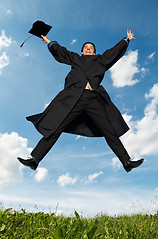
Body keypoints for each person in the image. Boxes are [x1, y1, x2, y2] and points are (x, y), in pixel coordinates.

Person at [18, 29, 144, 172]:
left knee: (109, 130)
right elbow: (62, 52)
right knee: (57, 127)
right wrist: (49, 42)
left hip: (94, 99)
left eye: (91, 48)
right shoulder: (76, 58)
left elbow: (113, 53)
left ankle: (126, 162)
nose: (88, 49)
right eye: (86, 48)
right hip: (74, 99)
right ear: (83, 51)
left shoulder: (101, 60)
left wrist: (125, 40)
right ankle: (35, 160)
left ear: (94, 52)